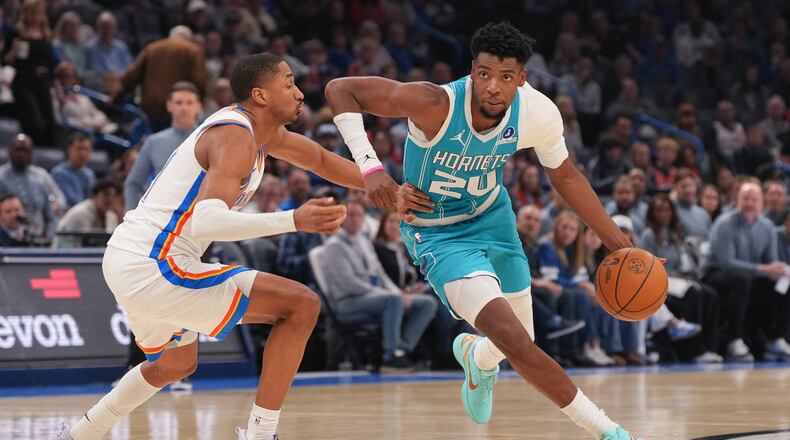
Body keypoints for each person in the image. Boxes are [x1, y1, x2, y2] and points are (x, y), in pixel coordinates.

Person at [326, 22, 642, 439]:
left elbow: (566, 177)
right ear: (473, 70)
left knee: (519, 338)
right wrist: (370, 167)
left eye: (506, 77)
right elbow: (339, 89)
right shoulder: (434, 102)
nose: (493, 86)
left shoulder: (537, 112)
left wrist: (618, 244)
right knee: (516, 339)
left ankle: (477, 358)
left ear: (521, 79)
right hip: (438, 233)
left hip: (494, 220)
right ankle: (607, 430)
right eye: (485, 74)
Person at [58, 53, 364, 440]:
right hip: (154, 259)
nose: (301, 93)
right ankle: (260, 434)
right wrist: (292, 220)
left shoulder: (264, 136)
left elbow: (321, 159)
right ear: (261, 95)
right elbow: (206, 220)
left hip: (134, 256)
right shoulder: (234, 135)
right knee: (301, 305)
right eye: (289, 84)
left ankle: (81, 434)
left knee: (174, 364)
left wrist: (386, 184)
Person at [323, 200, 437, 372]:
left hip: (373, 297)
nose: (355, 219)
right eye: (350, 215)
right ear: (342, 218)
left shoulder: (363, 241)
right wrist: (388, 294)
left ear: (364, 219)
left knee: (428, 303)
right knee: (392, 300)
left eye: (359, 215)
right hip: (347, 302)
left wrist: (397, 292)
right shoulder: (333, 246)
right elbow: (349, 284)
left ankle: (402, 349)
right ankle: (390, 357)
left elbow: (380, 274)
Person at [700, 183, 790, 362]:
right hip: (714, 274)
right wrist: (764, 269)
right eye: (745, 198)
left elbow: (770, 261)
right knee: (741, 280)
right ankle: (734, 340)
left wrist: (778, 271)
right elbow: (727, 263)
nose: (749, 203)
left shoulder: (767, 227)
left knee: (784, 280)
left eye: (754, 199)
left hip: (749, 276)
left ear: (761, 202)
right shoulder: (725, 223)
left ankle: (776, 338)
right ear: (737, 200)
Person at [124, 82, 203, 212]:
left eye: (189, 103)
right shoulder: (154, 142)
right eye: (179, 102)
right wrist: (130, 217)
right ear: (169, 105)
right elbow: (133, 183)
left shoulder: (208, 140)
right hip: (160, 216)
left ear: (198, 106)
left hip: (197, 215)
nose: (184, 108)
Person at [51, 132, 96, 210]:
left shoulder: (90, 174)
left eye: (86, 149)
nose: (82, 153)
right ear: (69, 149)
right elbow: (73, 202)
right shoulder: (59, 173)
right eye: (79, 148)